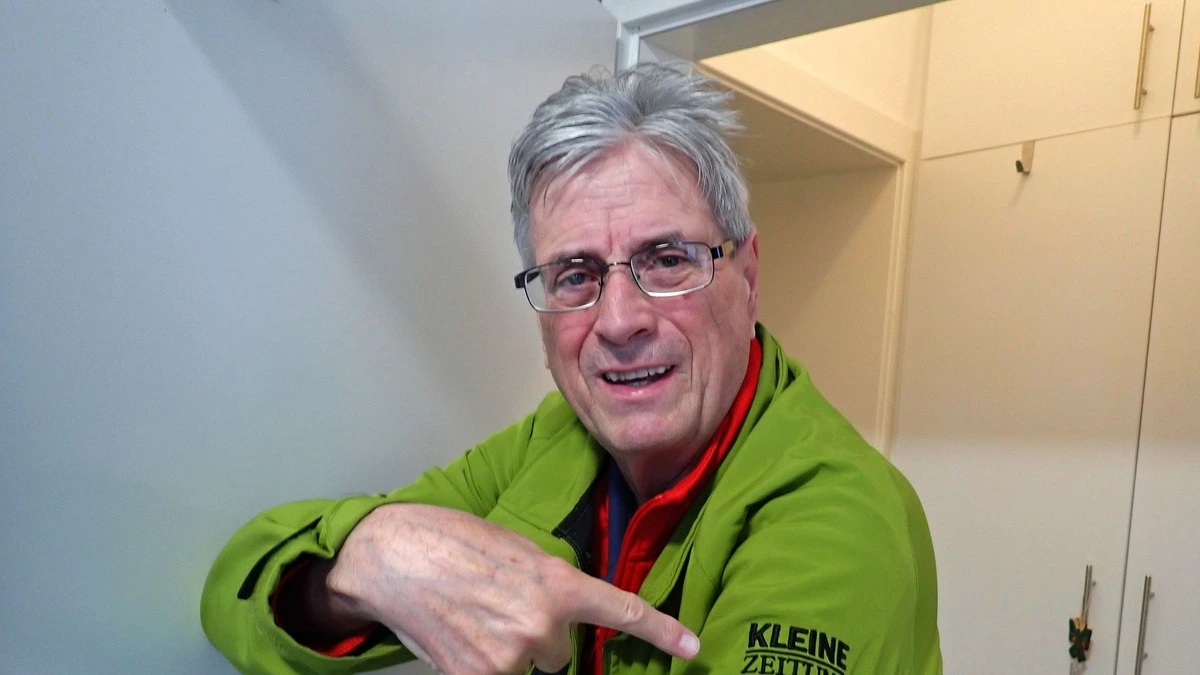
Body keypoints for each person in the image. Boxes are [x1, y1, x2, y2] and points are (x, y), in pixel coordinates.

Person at [201, 63, 942, 675]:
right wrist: (364, 561)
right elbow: (232, 598)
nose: (619, 320)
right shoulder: (552, 440)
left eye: (667, 259)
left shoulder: (839, 517)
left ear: (746, 276)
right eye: (576, 275)